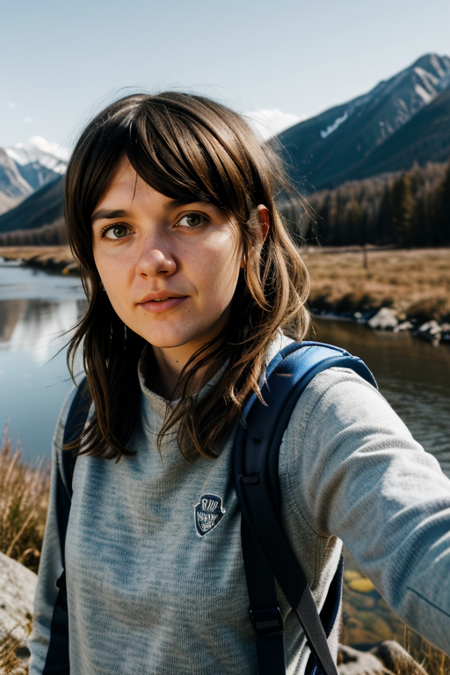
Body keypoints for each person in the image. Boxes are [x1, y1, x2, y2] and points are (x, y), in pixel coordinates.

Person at [28, 92, 450, 675]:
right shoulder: (87, 412)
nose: (152, 259)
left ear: (254, 231)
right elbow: (54, 618)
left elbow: (427, 538)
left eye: (190, 218)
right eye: (118, 229)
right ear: (92, 255)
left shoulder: (314, 410)